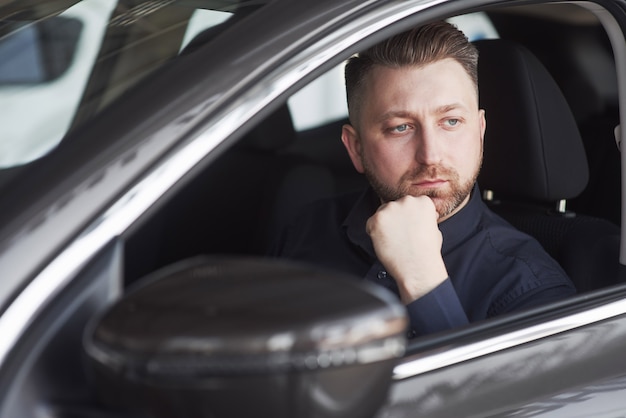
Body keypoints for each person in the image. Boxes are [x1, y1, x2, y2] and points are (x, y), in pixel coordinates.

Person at [270, 21, 576, 338]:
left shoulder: (529, 288)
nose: (430, 155)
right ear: (356, 148)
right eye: (400, 127)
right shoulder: (307, 229)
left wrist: (422, 279)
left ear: (480, 132)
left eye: (451, 121)